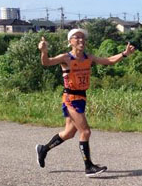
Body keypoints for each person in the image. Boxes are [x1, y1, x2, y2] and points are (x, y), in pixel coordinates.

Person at [36, 29, 136, 177]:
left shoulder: (88, 57)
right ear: (70, 41)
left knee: (69, 133)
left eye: (83, 38)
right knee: (85, 131)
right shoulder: (66, 58)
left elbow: (108, 61)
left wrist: (124, 54)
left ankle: (43, 149)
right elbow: (46, 62)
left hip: (81, 97)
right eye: (77, 38)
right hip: (70, 98)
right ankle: (88, 167)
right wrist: (43, 50)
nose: (81, 40)